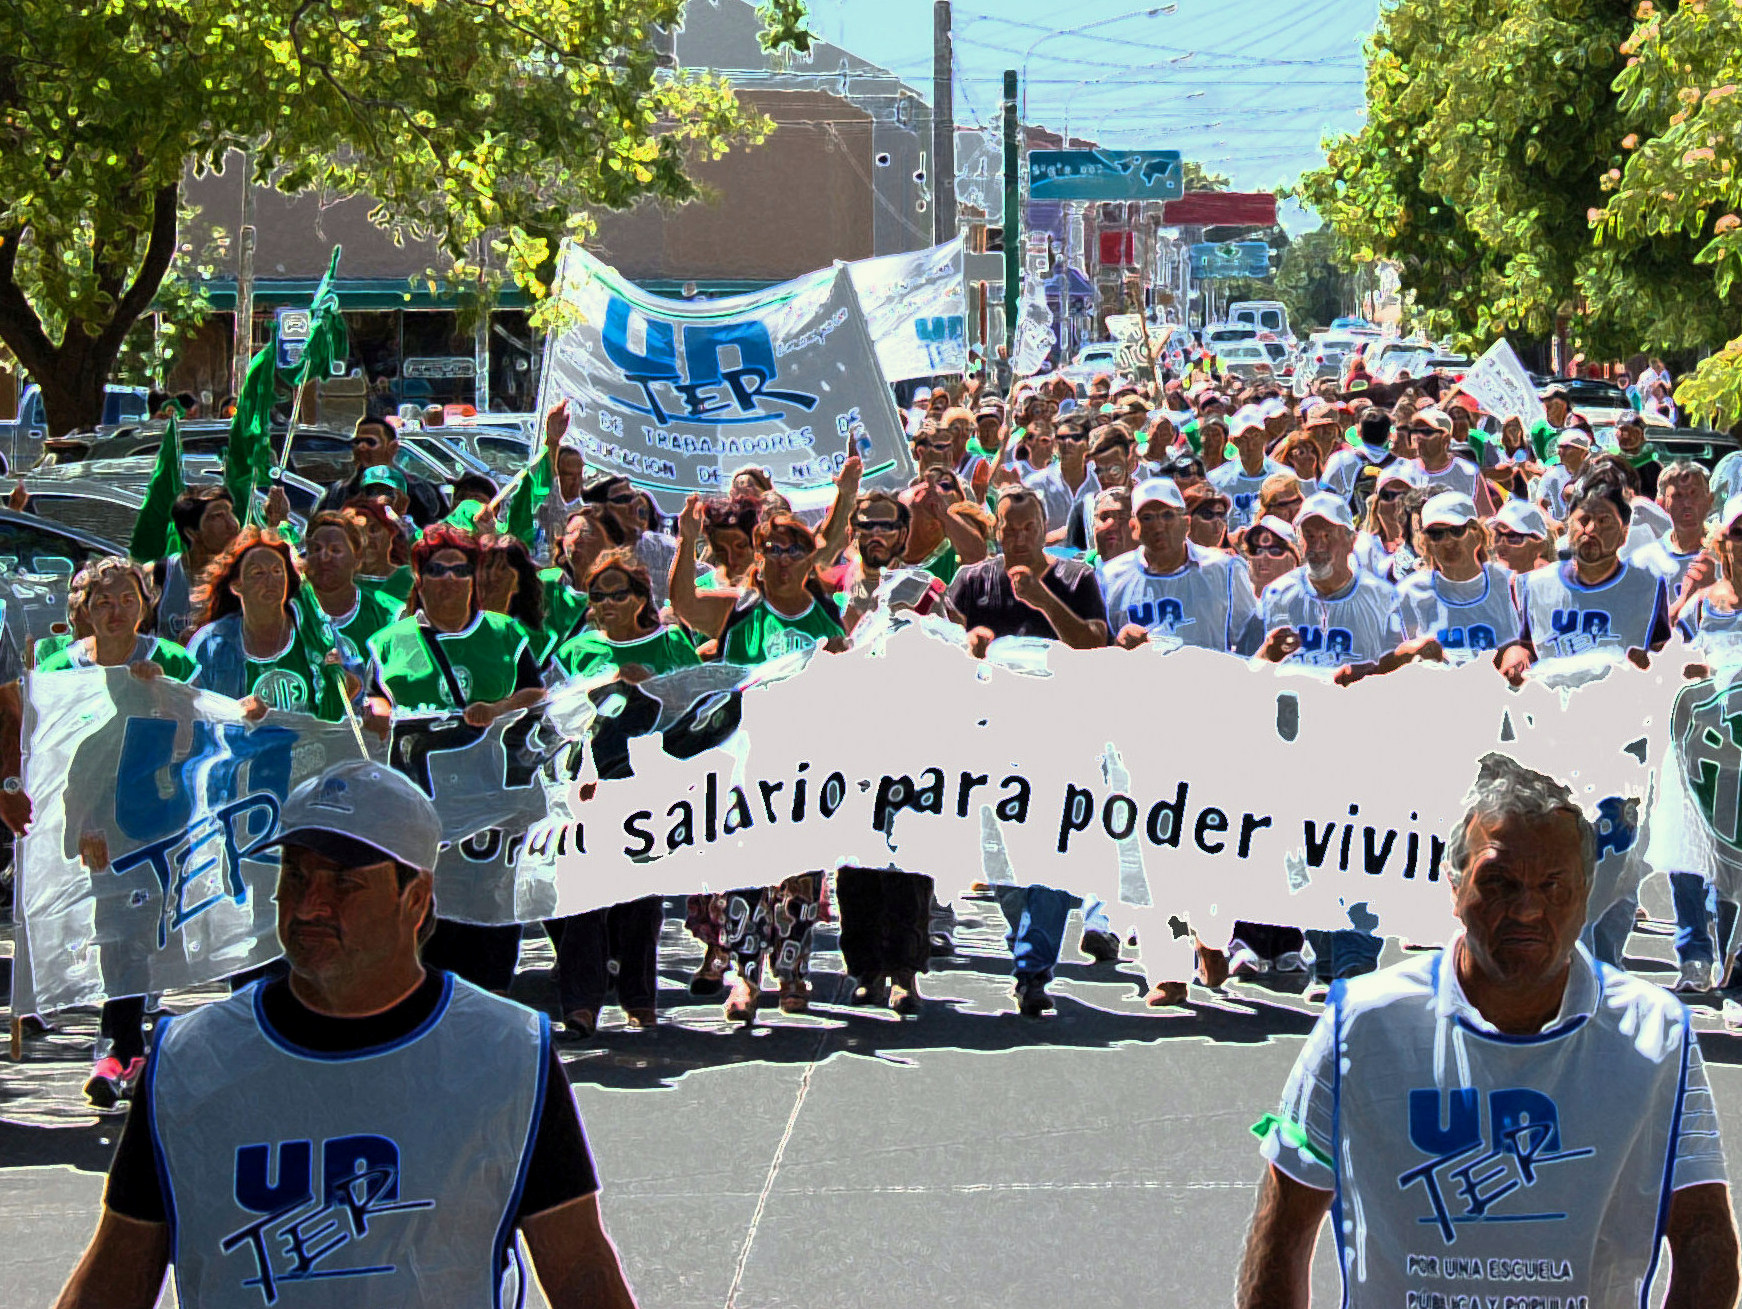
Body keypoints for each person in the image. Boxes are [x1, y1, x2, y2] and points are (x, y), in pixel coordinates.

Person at [52, 759, 638, 1309]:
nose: (309, 904)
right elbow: (117, 1271)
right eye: (296, 873)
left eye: (344, 883)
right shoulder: (191, 1058)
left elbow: (580, 1267)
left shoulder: (508, 1051)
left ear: (415, 900)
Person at [1237, 753, 1737, 1309]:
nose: (1527, 909)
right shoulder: (1361, 1022)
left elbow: (1703, 1237)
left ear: (1587, 894)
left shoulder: (1655, 1032)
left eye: (1554, 886)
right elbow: (1284, 1224)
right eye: (1498, 882)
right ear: (1454, 888)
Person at [670, 493, 850, 1020]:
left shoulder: (827, 618)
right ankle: (744, 980)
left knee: (798, 878)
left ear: (810, 557)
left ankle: (792, 973)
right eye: (773, 548)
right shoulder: (739, 609)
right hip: (743, 762)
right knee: (743, 873)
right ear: (758, 554)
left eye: (795, 549)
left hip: (805, 769)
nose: (784, 558)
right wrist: (686, 541)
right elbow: (683, 604)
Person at [34, 558, 197, 1109]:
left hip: (156, 812)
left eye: (127, 599)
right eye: (102, 601)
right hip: (90, 814)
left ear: (146, 605)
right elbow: (50, 754)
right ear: (82, 609)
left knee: (144, 924)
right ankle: (119, 1040)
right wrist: (81, 819)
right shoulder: (60, 667)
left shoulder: (170, 659)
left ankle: (127, 1034)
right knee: (113, 923)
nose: (114, 611)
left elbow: (189, 742)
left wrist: (158, 697)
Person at [944, 487, 1110, 1016]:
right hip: (991, 736)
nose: (1017, 538)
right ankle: (1029, 943)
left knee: (1056, 849)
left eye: (1027, 528)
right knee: (1001, 855)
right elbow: (944, 641)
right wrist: (966, 644)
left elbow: (1093, 645)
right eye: (1008, 529)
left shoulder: (1077, 578)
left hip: (1060, 736)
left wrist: (1043, 601)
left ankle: (1033, 964)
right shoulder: (973, 581)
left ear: (1045, 529)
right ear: (996, 531)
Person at [365, 524, 547, 992]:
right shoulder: (390, 641)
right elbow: (375, 698)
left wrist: (498, 709)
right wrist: (382, 715)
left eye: (460, 569)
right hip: (422, 812)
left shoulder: (506, 633)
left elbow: (536, 694)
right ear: (418, 574)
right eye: (436, 569)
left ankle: (488, 1009)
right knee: (428, 928)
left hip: (491, 810)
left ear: (475, 576)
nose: (448, 579)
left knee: (489, 927)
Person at [1258, 493, 1404, 992]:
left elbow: (1402, 667)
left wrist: (1372, 676)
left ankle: (1355, 960)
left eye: (1328, 533)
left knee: (1361, 853)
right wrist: (1268, 655)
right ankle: (1325, 955)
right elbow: (1252, 670)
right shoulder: (1278, 594)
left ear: (1349, 538)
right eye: (1309, 533)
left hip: (1361, 746)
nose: (1318, 543)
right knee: (1304, 856)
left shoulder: (1382, 597)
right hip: (1294, 744)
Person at [547, 551, 695, 1037]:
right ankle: (580, 1004)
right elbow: (555, 718)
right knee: (584, 896)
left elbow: (702, 704)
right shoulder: (577, 651)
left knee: (640, 901)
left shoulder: (670, 641)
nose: (607, 604)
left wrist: (653, 685)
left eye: (618, 594)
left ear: (640, 598)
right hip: (590, 785)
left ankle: (639, 998)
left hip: (651, 786)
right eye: (597, 596)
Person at [831, 491, 940, 1013]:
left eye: (886, 526)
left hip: (910, 738)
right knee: (856, 863)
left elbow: (954, 645)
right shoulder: (832, 585)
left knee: (908, 860)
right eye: (866, 525)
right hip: (848, 742)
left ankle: (905, 971)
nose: (876, 534)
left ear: (902, 532)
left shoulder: (924, 587)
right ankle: (866, 969)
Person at [1499, 472, 1672, 684]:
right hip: (1553, 704)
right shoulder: (1530, 586)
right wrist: (1515, 656)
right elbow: (1522, 648)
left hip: (1622, 703)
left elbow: (1661, 658)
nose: (1591, 529)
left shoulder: (1648, 587)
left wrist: (1647, 662)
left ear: (1624, 533)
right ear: (1569, 525)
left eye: (1603, 521)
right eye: (1583, 520)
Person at [184, 528, 354, 723]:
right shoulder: (211, 643)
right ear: (237, 586)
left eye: (277, 571)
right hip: (240, 750)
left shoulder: (313, 634)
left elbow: (353, 693)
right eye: (258, 573)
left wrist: (337, 678)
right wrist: (233, 712)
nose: (270, 580)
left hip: (310, 750)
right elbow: (188, 704)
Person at [1102, 478, 1262, 656]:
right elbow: (1097, 651)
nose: (1158, 526)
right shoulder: (1110, 577)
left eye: (1168, 515)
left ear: (1186, 523)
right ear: (1134, 527)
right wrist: (1117, 644)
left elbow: (1251, 641)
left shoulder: (1225, 570)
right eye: (1147, 518)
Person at [1394, 491, 1522, 661]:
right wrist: (1412, 650)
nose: (1447, 541)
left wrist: (1514, 653)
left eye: (1456, 530)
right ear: (1426, 542)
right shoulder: (1410, 592)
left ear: (1476, 533)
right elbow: (1384, 663)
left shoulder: (1508, 583)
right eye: (1436, 534)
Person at [316, 415, 447, 526]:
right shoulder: (338, 492)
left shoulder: (419, 489)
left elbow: (434, 536)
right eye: (357, 442)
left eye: (370, 442)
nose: (362, 447)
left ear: (393, 447)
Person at [302, 510, 403, 652]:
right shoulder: (290, 609)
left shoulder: (389, 616)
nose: (323, 557)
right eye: (316, 549)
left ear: (357, 558)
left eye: (335, 550)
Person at [153, 487, 240, 643]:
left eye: (230, 513)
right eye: (218, 516)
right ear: (191, 533)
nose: (233, 524)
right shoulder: (162, 574)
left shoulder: (243, 574)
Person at [1627, 459, 1710, 604]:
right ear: (1661, 503)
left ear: (1710, 500)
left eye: (1694, 494)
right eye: (1678, 496)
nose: (1687, 504)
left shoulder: (1729, 551)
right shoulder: (1645, 560)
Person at [1209, 405, 1284, 532]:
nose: (1251, 445)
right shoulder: (1216, 480)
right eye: (1244, 439)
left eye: (1255, 436)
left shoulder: (1283, 477)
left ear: (1265, 436)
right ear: (1234, 441)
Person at [1023, 414, 1097, 531]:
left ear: (1088, 444)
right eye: (1061, 438)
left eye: (1076, 438)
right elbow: (1028, 535)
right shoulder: (1035, 484)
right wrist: (1070, 533)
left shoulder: (1099, 482)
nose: (1067, 442)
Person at [1536, 427, 1592, 523]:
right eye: (1559, 447)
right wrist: (1553, 524)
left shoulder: (1594, 474)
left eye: (1566, 447)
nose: (1560, 451)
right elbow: (1541, 505)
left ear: (1582, 451)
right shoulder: (1552, 475)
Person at [1487, 498, 1552, 575]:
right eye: (1498, 535)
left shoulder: (1552, 581)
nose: (1501, 543)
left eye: (1513, 537)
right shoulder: (1492, 579)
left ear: (1540, 546)